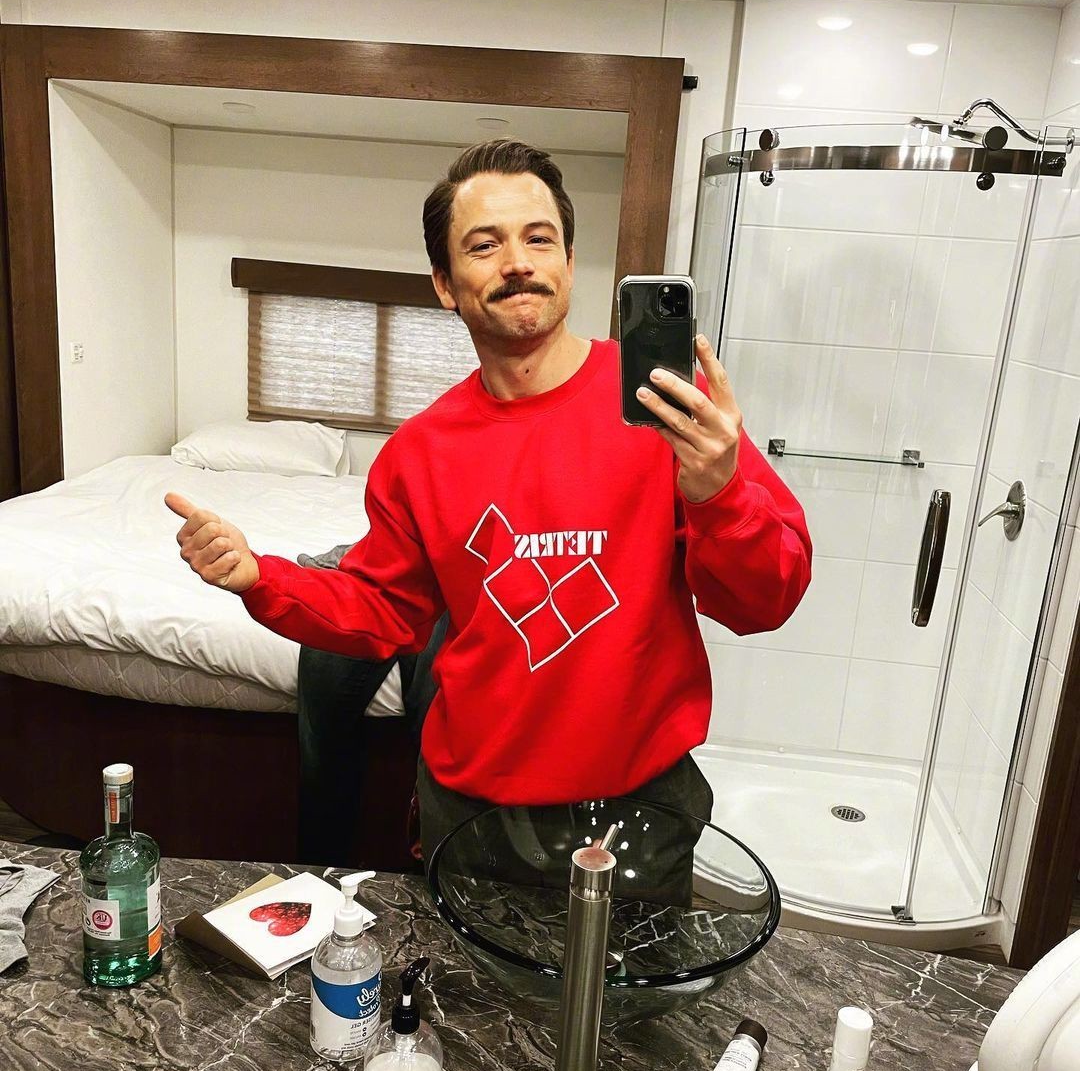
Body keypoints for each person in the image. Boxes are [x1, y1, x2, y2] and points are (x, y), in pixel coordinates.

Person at [166, 140, 812, 865]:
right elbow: (385, 609)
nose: (517, 263)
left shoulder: (667, 412)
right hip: (472, 811)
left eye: (540, 239)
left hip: (641, 807)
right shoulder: (420, 452)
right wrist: (262, 578)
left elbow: (766, 601)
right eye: (484, 245)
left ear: (569, 263)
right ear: (446, 284)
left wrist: (720, 492)